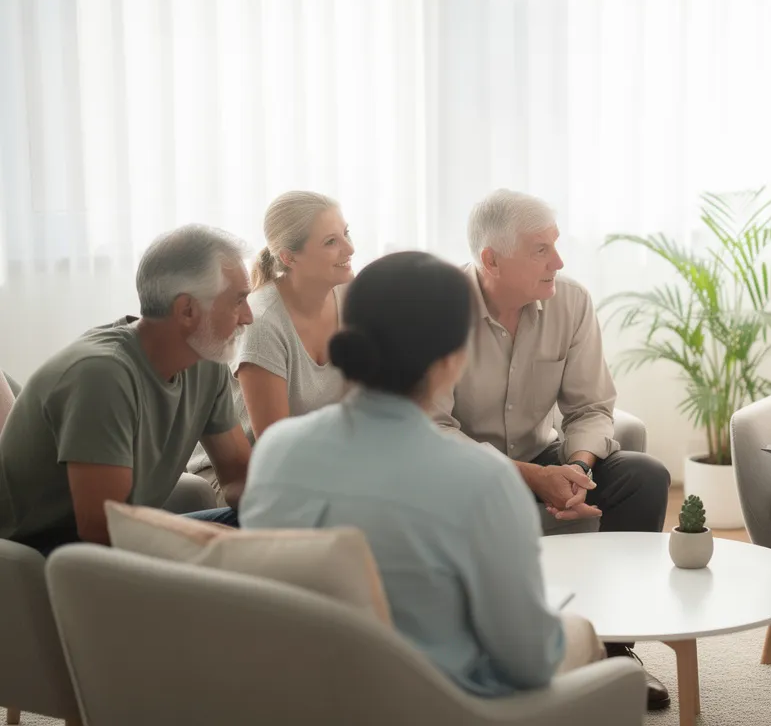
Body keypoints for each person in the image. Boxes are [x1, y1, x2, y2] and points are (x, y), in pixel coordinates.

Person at [240, 252, 603, 697]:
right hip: (437, 706)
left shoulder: (276, 452)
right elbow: (529, 661)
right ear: (454, 359)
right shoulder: (483, 480)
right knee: (580, 638)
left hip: (295, 696)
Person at [435, 188, 671, 709]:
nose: (558, 261)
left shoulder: (572, 300)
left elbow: (590, 407)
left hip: (548, 459)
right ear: (490, 260)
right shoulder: (440, 306)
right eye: (541, 249)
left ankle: (612, 649)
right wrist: (527, 477)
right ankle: (499, 655)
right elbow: (432, 427)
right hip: (468, 473)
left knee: (644, 476)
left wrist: (576, 469)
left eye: (556, 245)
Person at [0, 225, 255, 555]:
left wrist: (290, 515)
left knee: (281, 534)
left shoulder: (207, 363)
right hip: (47, 552)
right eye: (238, 301)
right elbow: (103, 527)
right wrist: (211, 539)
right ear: (187, 310)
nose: (248, 317)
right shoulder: (100, 376)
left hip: (113, 537)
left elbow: (237, 477)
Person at [188, 191, 354, 493]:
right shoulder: (262, 323)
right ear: (289, 257)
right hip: (245, 479)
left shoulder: (352, 299)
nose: (350, 248)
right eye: (331, 242)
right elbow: (278, 451)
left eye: (346, 233)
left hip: (319, 468)